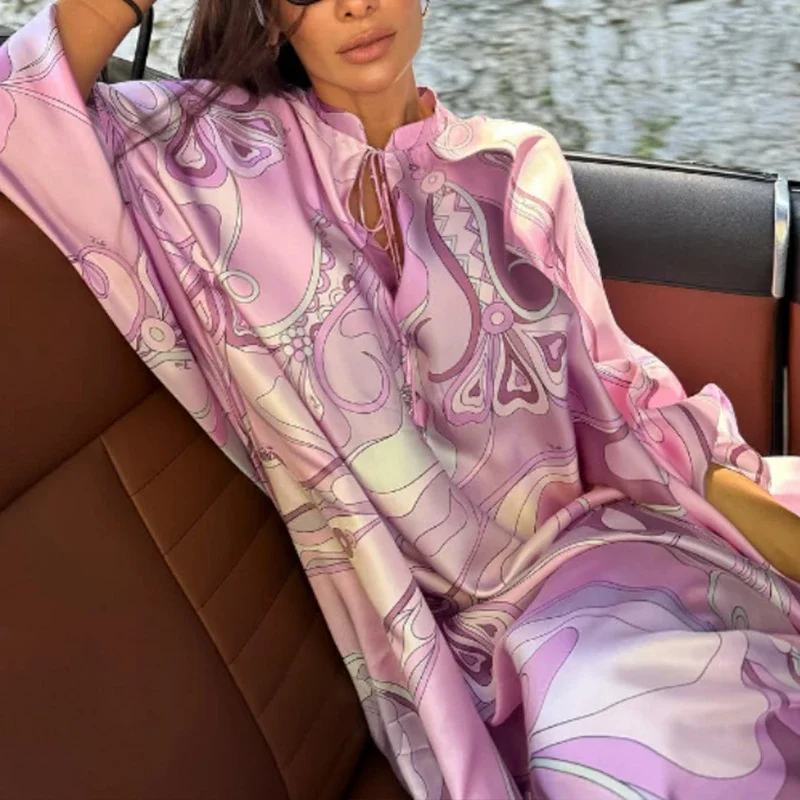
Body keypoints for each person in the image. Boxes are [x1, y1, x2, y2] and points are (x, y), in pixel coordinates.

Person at [1, 1, 799, 797]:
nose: (354, 4)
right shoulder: (199, 161)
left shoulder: (520, 168)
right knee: (645, 747)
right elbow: (16, 109)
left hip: (611, 554)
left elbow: (638, 417)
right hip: (474, 640)